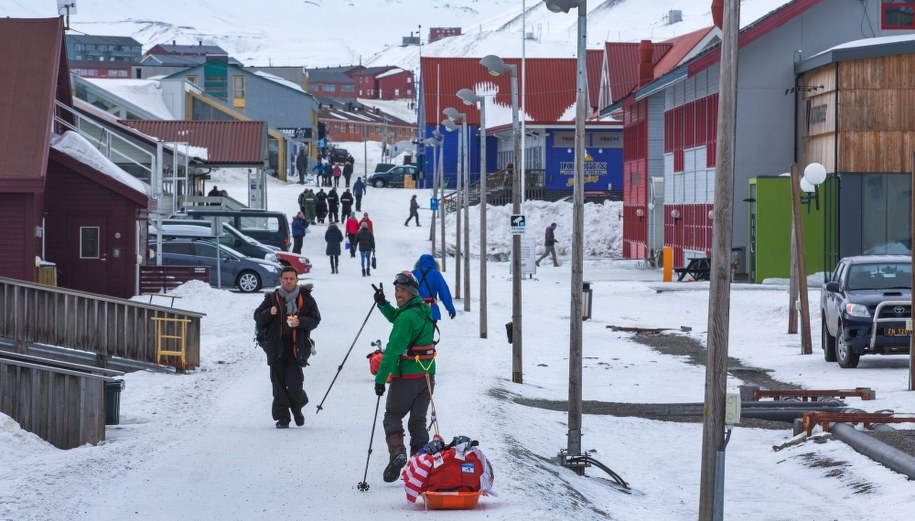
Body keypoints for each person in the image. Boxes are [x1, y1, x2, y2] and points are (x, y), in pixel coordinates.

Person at [372, 272, 436, 482]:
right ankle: (421, 467)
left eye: (401, 290)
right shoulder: (423, 310)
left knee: (392, 415)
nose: (397, 293)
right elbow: (399, 317)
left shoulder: (407, 317)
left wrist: (380, 379)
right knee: (418, 421)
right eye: (396, 290)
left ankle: (398, 453)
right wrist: (383, 304)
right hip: (427, 376)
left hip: (407, 378)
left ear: (411, 292)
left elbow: (392, 350)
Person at [253, 267, 321, 428]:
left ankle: (297, 407)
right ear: (280, 280)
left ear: (297, 280)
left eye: (291, 278)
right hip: (275, 346)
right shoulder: (272, 298)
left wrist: (301, 322)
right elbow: (258, 316)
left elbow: (316, 319)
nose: (288, 281)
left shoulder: (306, 298)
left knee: (294, 385)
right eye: (285, 278)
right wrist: (270, 312)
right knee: (278, 385)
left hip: (296, 347)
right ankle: (282, 418)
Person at [412, 253, 456, 325]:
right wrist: (450, 309)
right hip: (431, 311)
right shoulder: (436, 274)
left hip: (414, 310)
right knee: (428, 335)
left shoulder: (413, 274)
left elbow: (405, 292)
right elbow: (444, 293)